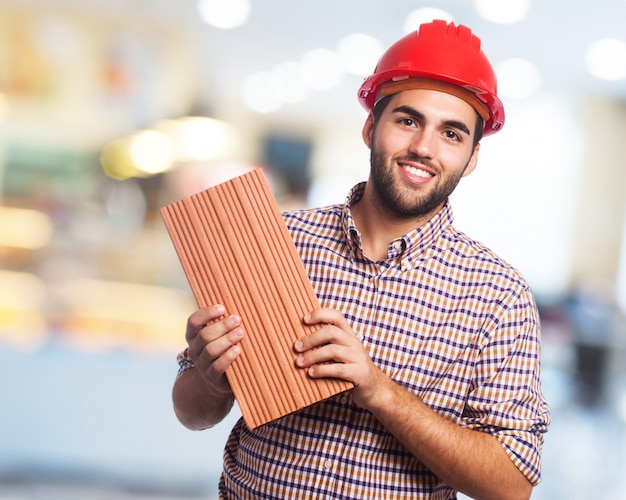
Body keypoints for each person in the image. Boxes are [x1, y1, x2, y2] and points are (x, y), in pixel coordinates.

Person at [172, 20, 550, 500]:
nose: (423, 148)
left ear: (472, 158)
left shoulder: (498, 295)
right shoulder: (276, 240)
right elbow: (191, 412)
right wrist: (210, 377)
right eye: (408, 120)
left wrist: (379, 390)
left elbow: (511, 486)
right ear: (372, 125)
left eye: (451, 134)